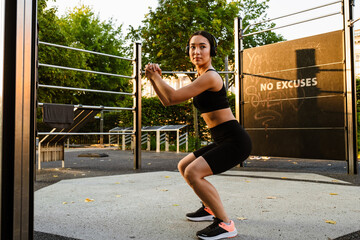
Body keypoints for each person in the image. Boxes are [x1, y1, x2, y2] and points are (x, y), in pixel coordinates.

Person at [145, 31, 252, 240]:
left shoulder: (211, 76)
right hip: (223, 139)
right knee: (184, 166)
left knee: (193, 172)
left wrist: (156, 76)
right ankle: (209, 208)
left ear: (212, 50)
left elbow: (174, 96)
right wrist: (152, 78)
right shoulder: (201, 77)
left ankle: (226, 224)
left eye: (202, 46)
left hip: (236, 142)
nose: (197, 51)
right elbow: (167, 101)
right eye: (193, 47)